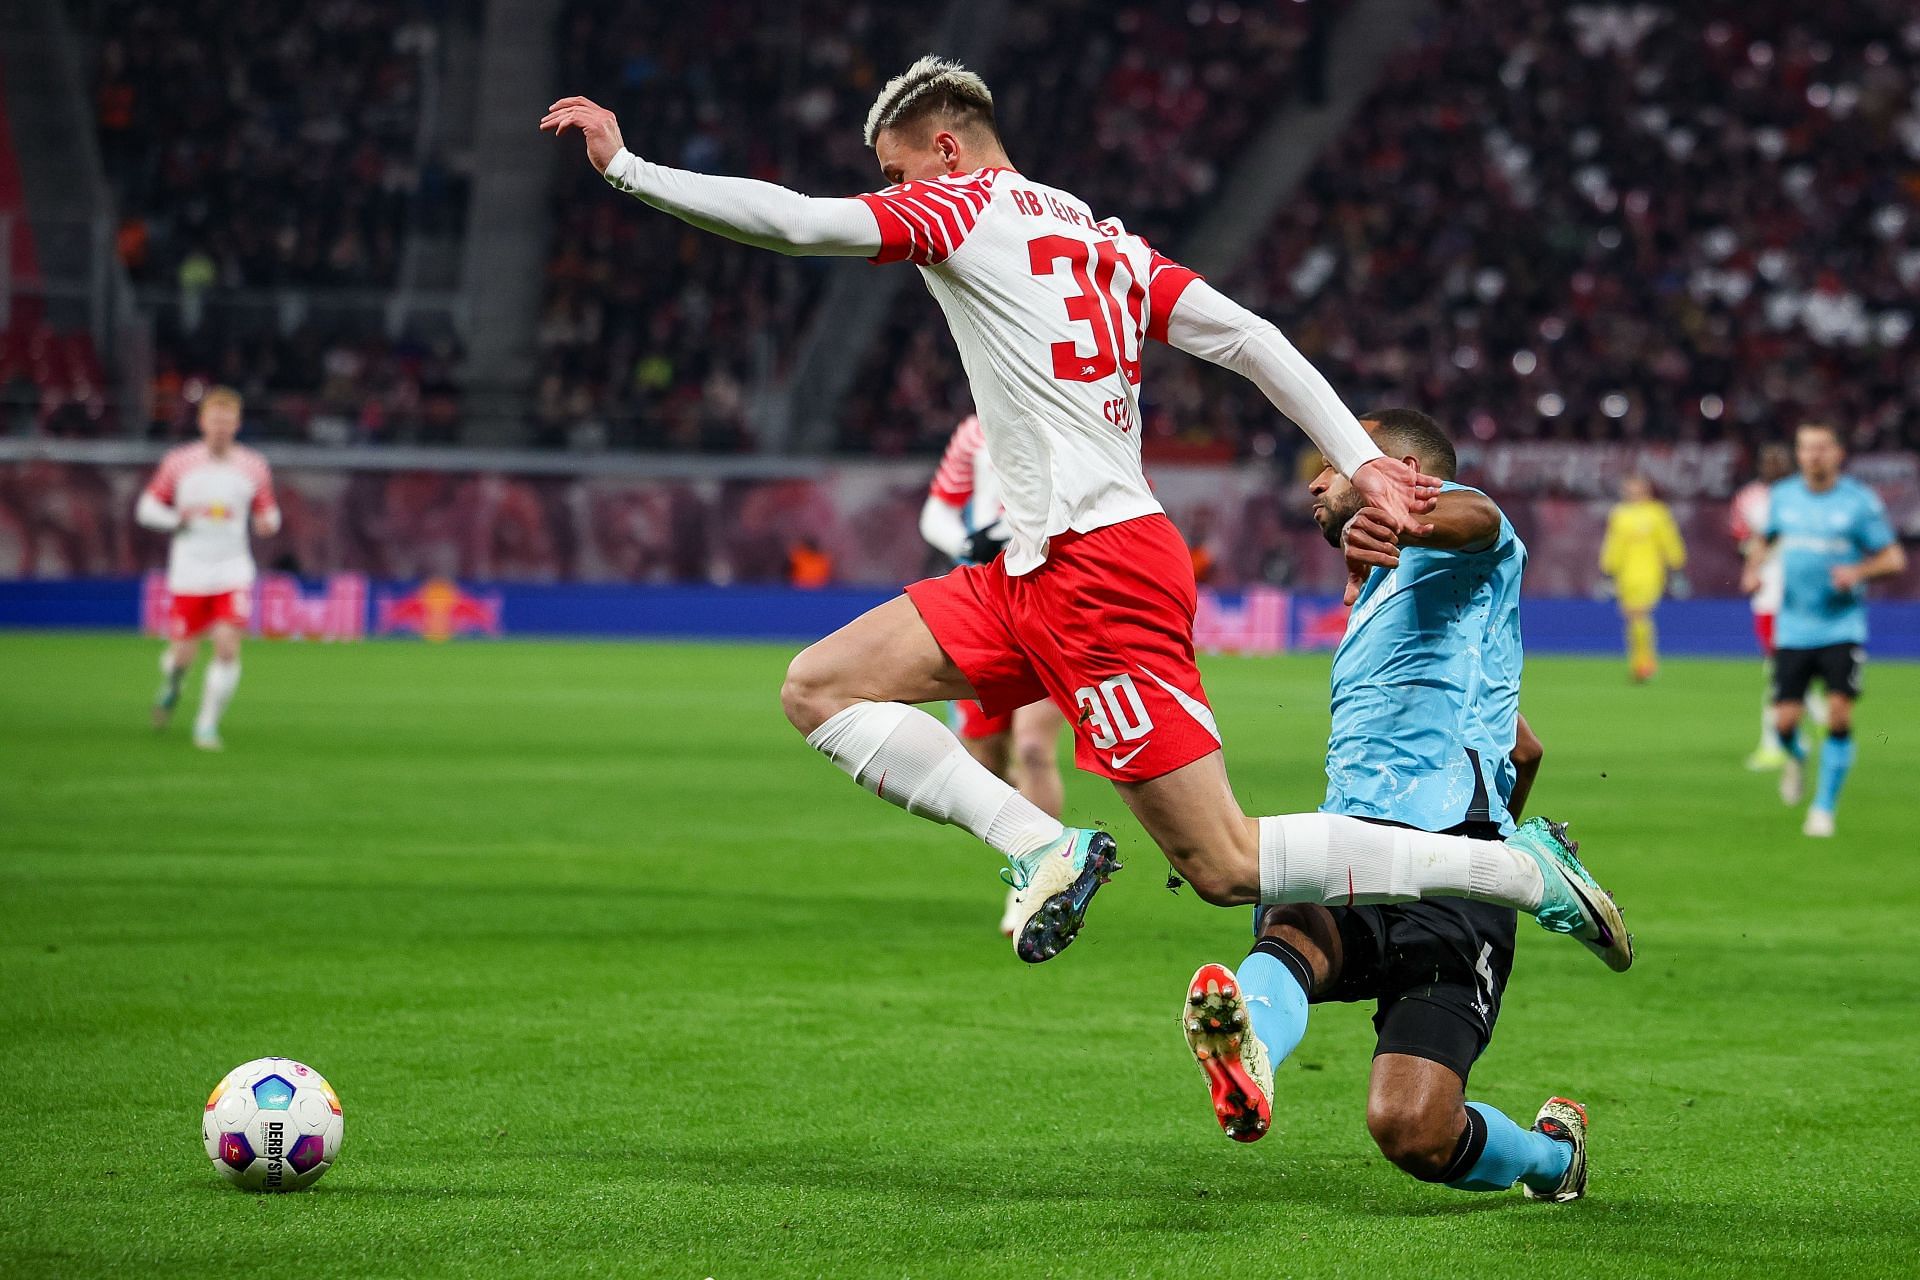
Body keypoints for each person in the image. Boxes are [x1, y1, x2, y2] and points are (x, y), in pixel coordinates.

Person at [541, 58, 1629, 971]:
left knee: (1226, 864)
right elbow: (1251, 335)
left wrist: (629, 169)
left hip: (1104, 569)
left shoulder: (960, 206)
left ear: (947, 150)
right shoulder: (1107, 239)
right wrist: (1356, 454)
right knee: (818, 684)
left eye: (897, 171)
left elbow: (798, 223)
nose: (893, 193)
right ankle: (1040, 843)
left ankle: (1516, 868)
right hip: (1031, 567)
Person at [1182, 410, 1596, 1203]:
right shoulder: (1380, 587)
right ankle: (1250, 1056)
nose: (1314, 479)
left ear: (1401, 469)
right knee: (1291, 909)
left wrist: (1493, 847)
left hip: (1455, 875)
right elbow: (1525, 747)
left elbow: (1482, 518)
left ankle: (1552, 1157)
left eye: (1335, 460)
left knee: (1412, 1131)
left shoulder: (1470, 538)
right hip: (1358, 848)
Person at [918, 414, 1070, 936]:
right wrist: (970, 542)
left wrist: (1015, 532)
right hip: (986, 602)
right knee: (982, 761)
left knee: (1032, 748)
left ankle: (1035, 880)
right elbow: (936, 510)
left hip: (1054, 601)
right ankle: (1027, 838)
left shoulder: (1071, 410)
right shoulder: (974, 429)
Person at [1742, 423, 1905, 837]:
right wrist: (1753, 570)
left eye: (1820, 448)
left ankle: (1823, 809)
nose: (1813, 455)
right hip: (1794, 628)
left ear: (1837, 453)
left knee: (1837, 713)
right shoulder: (1783, 498)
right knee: (1783, 725)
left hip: (1841, 627)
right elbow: (1765, 540)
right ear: (1799, 455)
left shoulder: (1858, 503)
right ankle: (1797, 756)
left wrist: (1859, 570)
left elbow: (1893, 558)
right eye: (1805, 448)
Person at [136, 387, 280, 750]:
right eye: (214, 420)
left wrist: (269, 523)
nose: (220, 427)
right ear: (202, 422)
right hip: (189, 571)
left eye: (227, 421)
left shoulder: (254, 465)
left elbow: (268, 511)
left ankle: (206, 724)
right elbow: (147, 508)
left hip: (233, 569)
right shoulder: (179, 462)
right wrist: (175, 521)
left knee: (228, 648)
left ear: (237, 424)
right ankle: (173, 682)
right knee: (182, 653)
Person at [1730, 444, 1795, 769]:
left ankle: (1777, 742)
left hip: (1801, 594)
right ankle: (1782, 738)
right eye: (1769, 459)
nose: (1774, 463)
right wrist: (1753, 566)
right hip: (1769, 594)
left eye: (1779, 459)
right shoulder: (1750, 497)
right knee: (1777, 668)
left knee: (1781, 671)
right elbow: (1744, 538)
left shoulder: (1802, 496)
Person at [1599, 473, 1686, 682]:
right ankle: (1638, 661)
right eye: (1629, 490)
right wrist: (1608, 567)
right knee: (1631, 616)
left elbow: (1669, 539)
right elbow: (1613, 543)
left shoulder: (1657, 513)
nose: (1632, 494)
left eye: (1637, 490)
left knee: (1640, 613)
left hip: (1650, 572)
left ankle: (1646, 662)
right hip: (1625, 574)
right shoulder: (1619, 514)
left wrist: (1675, 562)